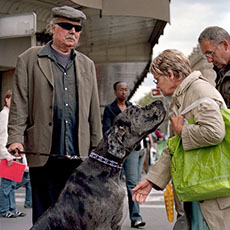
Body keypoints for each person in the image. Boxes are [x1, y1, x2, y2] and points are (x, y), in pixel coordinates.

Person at [7, 6, 102, 223]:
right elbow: (20, 101)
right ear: (53, 28)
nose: (72, 32)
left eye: (77, 28)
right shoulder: (29, 59)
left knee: (75, 215)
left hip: (77, 154)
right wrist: (15, 138)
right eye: (66, 26)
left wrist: (97, 144)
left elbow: (93, 109)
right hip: (43, 151)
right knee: (44, 215)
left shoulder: (87, 65)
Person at [132, 49, 230, 229]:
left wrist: (182, 129)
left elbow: (215, 132)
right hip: (201, 190)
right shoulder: (184, 96)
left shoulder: (199, 91)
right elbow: (174, 147)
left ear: (170, 74)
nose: (157, 86)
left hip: (211, 196)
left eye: (158, 79)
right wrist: (152, 180)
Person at [102, 81, 145, 228]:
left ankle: (136, 217)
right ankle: (112, 219)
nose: (124, 92)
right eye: (121, 90)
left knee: (133, 183)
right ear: (115, 91)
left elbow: (138, 128)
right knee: (114, 185)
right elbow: (107, 130)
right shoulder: (109, 109)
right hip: (116, 153)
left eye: (126, 90)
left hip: (132, 150)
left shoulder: (133, 108)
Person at [0, 90, 26, 218]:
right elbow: (2, 138)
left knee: (12, 184)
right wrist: (7, 155)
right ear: (6, 99)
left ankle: (12, 208)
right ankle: (4, 210)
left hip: (13, 154)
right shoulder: (4, 115)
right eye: (12, 99)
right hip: (7, 155)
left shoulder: (10, 115)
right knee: (6, 185)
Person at [198, 26, 230, 107]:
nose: (209, 60)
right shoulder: (220, 72)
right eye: (206, 55)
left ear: (225, 45)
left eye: (210, 53)